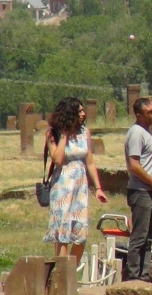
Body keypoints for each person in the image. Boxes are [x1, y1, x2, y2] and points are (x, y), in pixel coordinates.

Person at [44, 97, 108, 264]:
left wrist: (98, 188)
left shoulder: (84, 132)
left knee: (80, 234)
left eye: (82, 110)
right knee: (63, 233)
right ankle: (60, 275)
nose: (83, 114)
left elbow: (90, 162)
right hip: (62, 185)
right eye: (79, 111)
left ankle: (70, 272)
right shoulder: (53, 134)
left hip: (80, 186)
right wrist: (64, 134)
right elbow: (57, 159)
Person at [124, 97, 152, 282]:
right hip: (140, 190)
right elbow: (134, 165)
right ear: (139, 115)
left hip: (148, 190)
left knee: (148, 237)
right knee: (139, 236)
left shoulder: (148, 131)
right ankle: (133, 275)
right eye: (149, 112)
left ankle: (144, 276)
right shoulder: (137, 133)